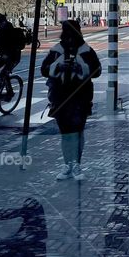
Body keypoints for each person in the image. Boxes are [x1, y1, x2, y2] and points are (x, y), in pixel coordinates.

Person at [41, 20, 101, 181]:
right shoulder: (56, 50)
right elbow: (44, 69)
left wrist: (80, 68)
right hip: (61, 97)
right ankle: (69, 165)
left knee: (76, 131)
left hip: (80, 97)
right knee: (67, 133)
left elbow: (97, 71)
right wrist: (59, 67)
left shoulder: (86, 50)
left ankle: (75, 164)